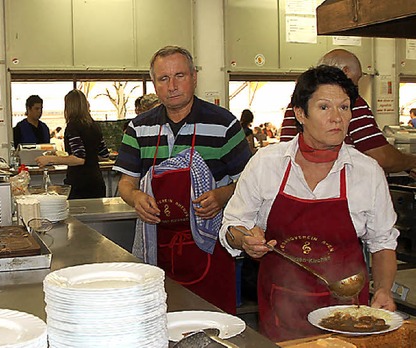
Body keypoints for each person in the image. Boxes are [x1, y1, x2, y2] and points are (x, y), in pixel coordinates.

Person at [220, 65, 398, 341]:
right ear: (300, 114)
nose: (337, 118)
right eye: (324, 107)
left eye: (345, 107)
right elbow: (232, 226)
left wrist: (384, 290)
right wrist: (244, 240)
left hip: (349, 313)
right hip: (282, 310)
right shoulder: (267, 164)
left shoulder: (367, 171)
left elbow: (383, 242)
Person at [113, 46, 252, 314]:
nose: (172, 86)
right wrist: (136, 197)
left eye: (180, 76)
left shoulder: (224, 124)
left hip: (211, 252)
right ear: (154, 84)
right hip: (158, 247)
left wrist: (221, 196)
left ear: (194, 77)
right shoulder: (139, 128)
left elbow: (248, 185)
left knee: (214, 327)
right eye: (163, 79)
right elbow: (126, 184)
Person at [280, 49, 416, 174]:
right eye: (357, 80)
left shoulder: (299, 101)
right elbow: (382, 157)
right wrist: (412, 161)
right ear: (345, 72)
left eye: (344, 108)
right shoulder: (351, 101)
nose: (336, 117)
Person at [35, 90, 109, 199]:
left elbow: (79, 158)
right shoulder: (95, 126)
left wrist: (50, 159)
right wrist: (90, 157)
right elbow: (104, 155)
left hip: (80, 184)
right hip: (97, 182)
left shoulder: (73, 127)